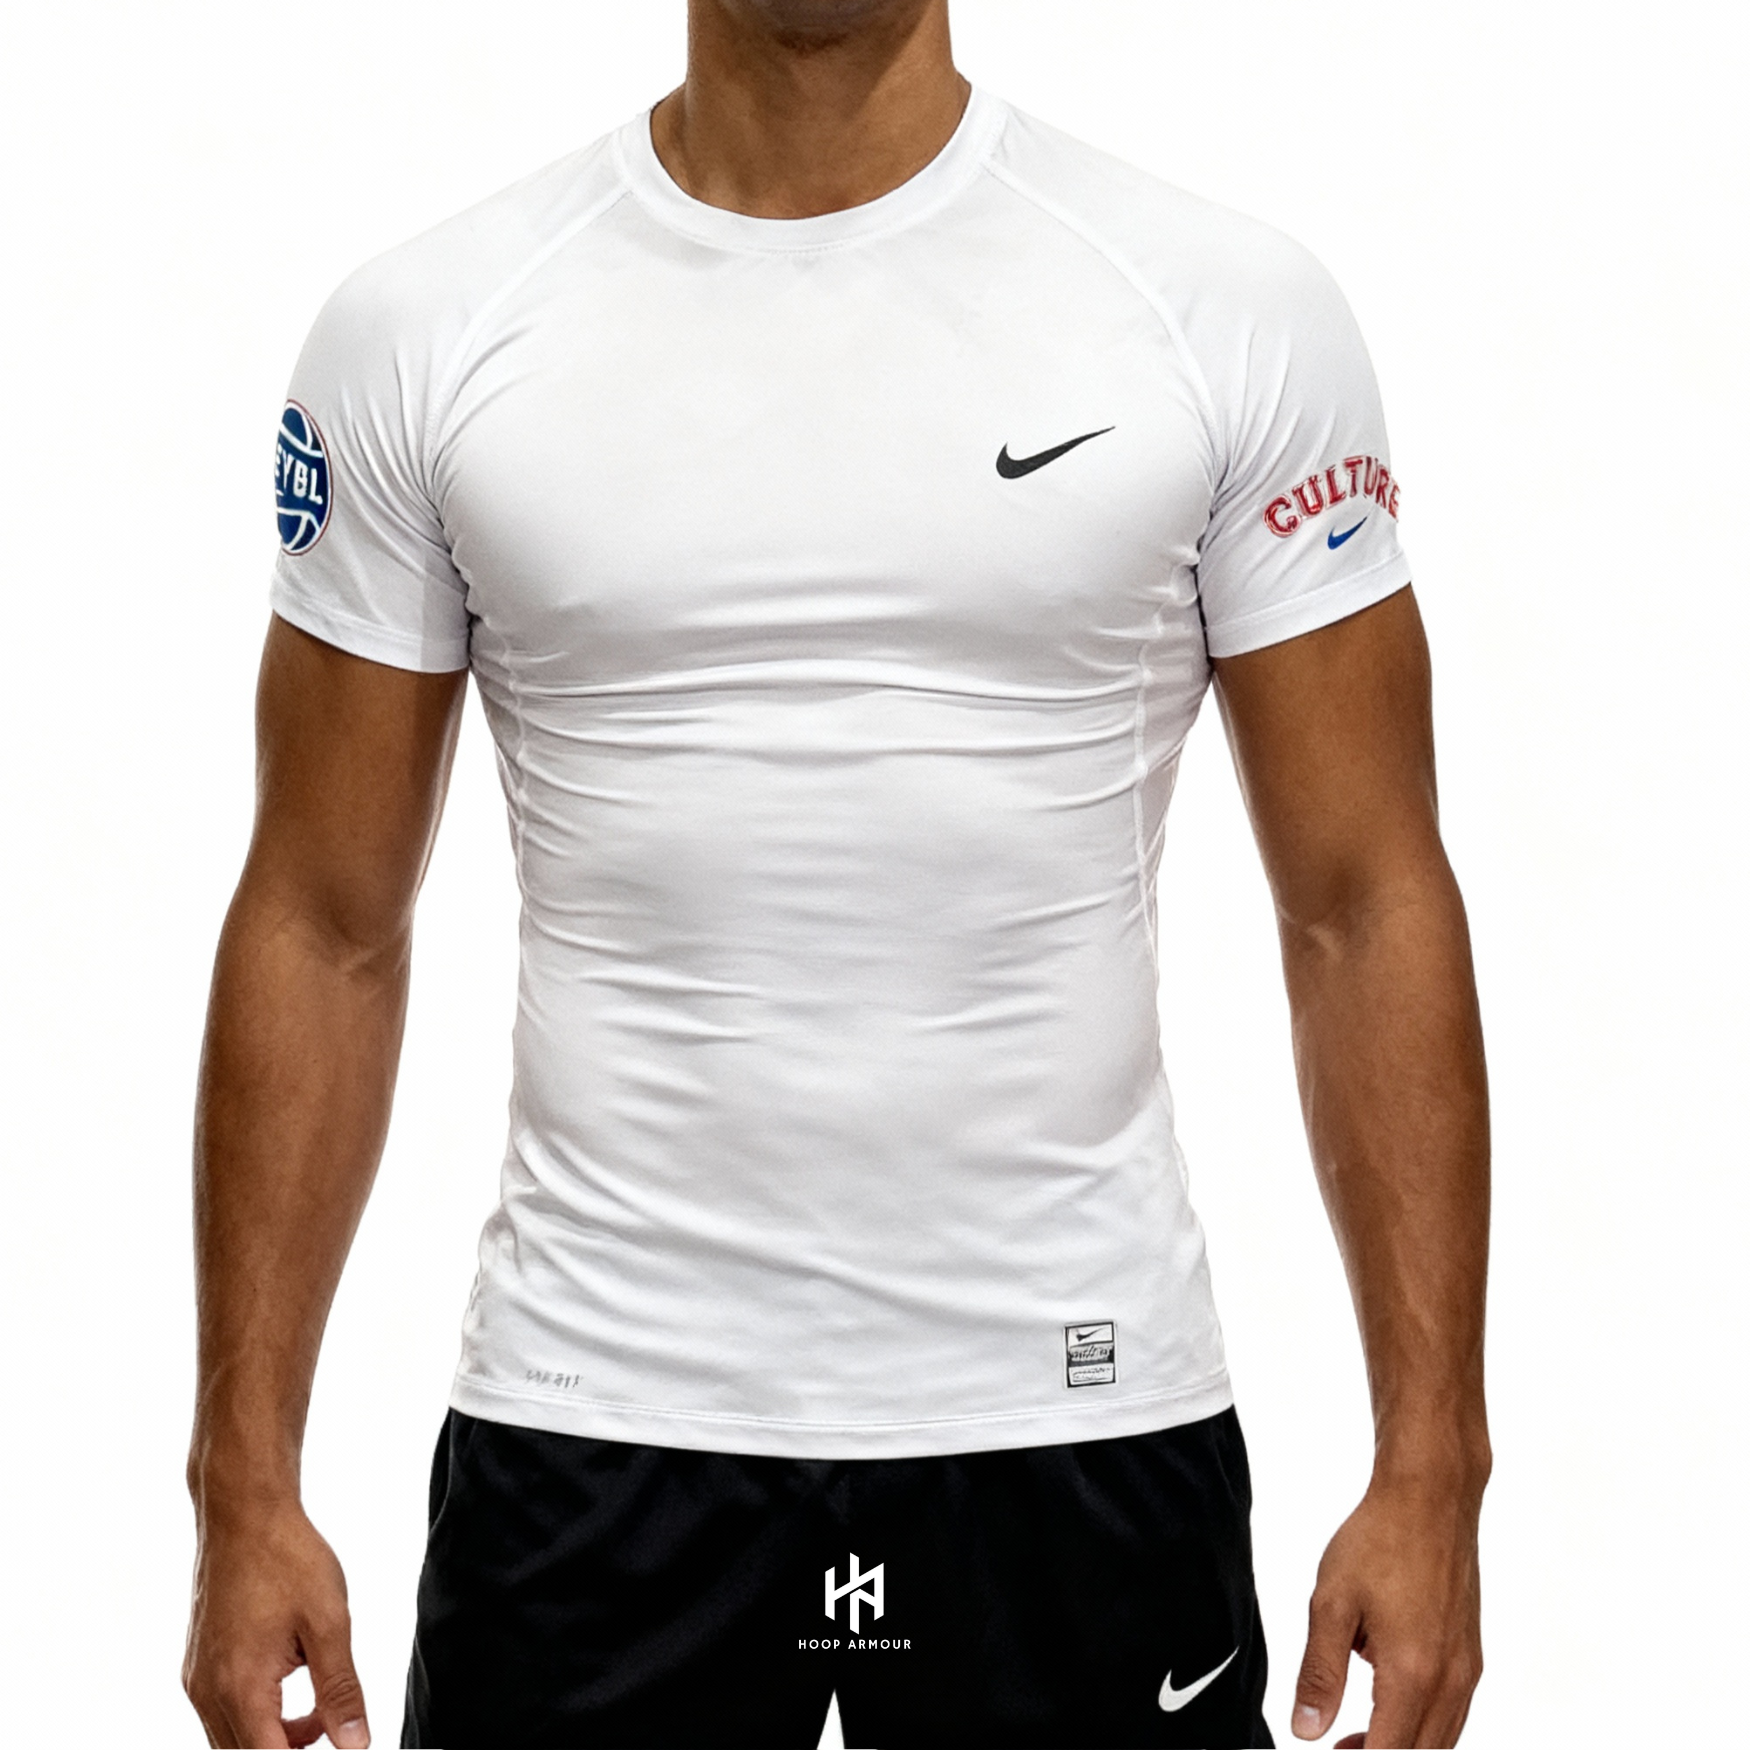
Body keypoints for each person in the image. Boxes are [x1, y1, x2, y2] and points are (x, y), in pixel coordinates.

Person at [181, 2, 1491, 1745]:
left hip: (1074, 1417)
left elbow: (1362, 897)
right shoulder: (432, 325)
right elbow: (321, 916)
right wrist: (242, 1482)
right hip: (596, 1420)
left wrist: (1434, 1462)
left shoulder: (1215, 306)